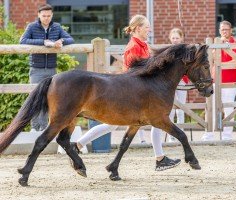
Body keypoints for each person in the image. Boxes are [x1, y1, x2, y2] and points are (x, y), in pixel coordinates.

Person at [72, 15, 181, 171]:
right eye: (147, 26)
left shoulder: (143, 45)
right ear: (138, 28)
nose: (149, 29)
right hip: (132, 94)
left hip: (140, 92)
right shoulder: (133, 47)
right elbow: (133, 73)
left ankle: (160, 158)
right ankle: (159, 159)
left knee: (114, 126)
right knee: (114, 125)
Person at [20, 4, 74, 132]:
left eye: (49, 16)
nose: (46, 18)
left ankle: (44, 127)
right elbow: (22, 40)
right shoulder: (32, 27)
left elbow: (70, 39)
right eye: (44, 16)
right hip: (36, 68)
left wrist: (61, 41)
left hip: (51, 68)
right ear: (39, 15)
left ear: (52, 15)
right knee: (35, 98)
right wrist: (44, 42)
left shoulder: (57, 27)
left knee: (48, 99)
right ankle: (35, 127)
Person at [202, 20, 236, 141]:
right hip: (215, 80)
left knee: (228, 107)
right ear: (219, 31)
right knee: (211, 106)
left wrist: (225, 52)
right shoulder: (216, 43)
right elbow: (211, 59)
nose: (224, 32)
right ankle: (210, 134)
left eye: (226, 29)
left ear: (231, 30)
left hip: (229, 82)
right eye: (222, 30)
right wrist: (218, 47)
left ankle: (227, 135)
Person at [167, 28, 189, 142]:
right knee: (170, 108)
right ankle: (171, 134)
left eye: (177, 38)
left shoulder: (185, 50)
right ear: (170, 39)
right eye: (173, 38)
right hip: (170, 81)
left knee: (181, 107)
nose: (175, 40)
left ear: (181, 38)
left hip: (182, 80)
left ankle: (181, 133)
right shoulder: (168, 50)